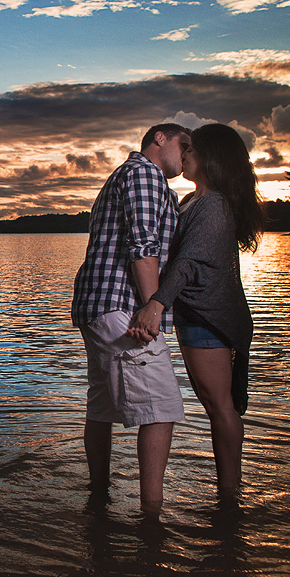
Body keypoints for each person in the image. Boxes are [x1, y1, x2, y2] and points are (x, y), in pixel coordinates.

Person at [129, 123, 263, 502]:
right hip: (193, 318)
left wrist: (155, 303)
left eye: (191, 148)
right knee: (212, 402)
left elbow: (187, 262)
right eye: (183, 146)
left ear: (210, 158)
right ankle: (228, 493)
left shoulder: (215, 205)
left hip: (211, 318)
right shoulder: (189, 202)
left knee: (219, 403)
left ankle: (230, 494)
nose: (184, 153)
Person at [72, 123, 191, 514]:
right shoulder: (143, 173)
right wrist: (153, 305)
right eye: (183, 144)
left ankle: (98, 496)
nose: (186, 154)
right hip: (121, 305)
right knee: (162, 406)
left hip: (98, 305)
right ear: (160, 138)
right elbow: (143, 246)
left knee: (102, 406)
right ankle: (151, 515)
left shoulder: (128, 176)